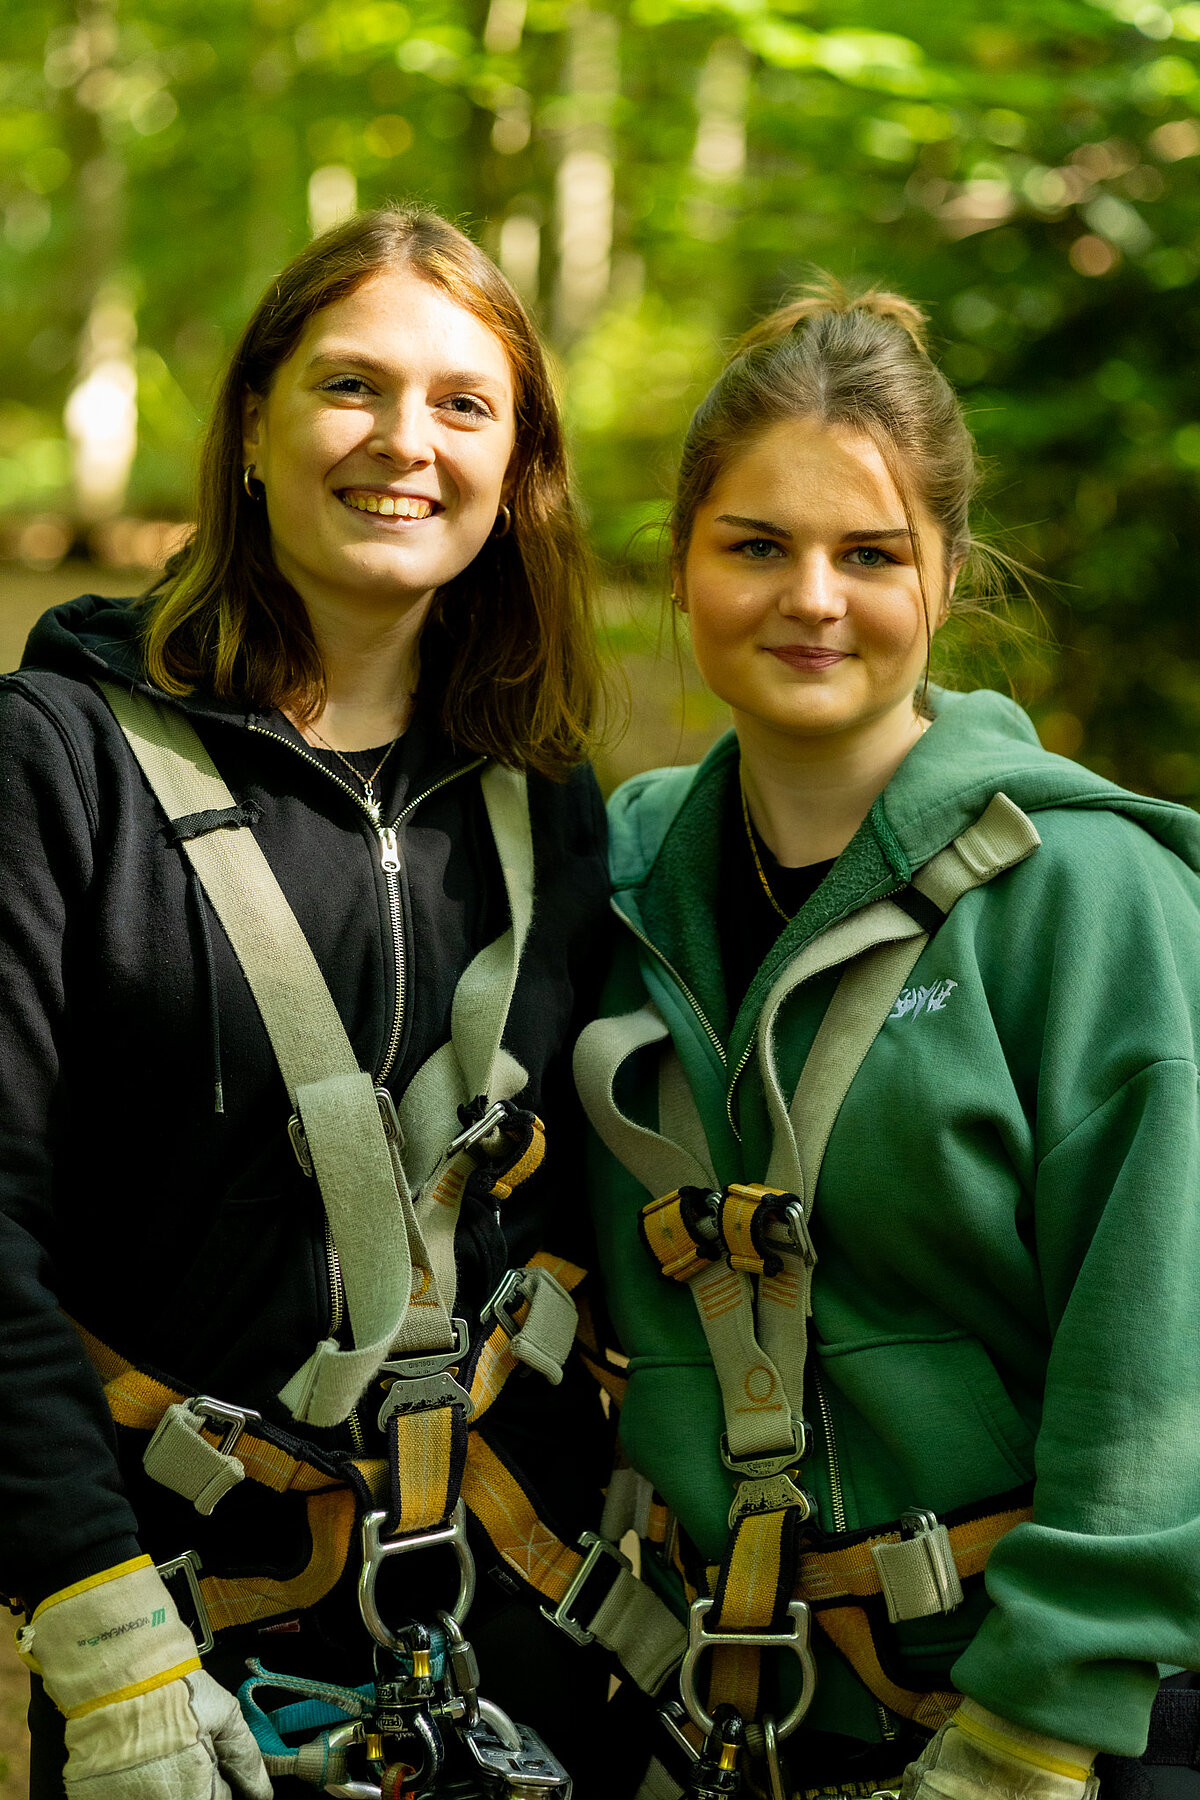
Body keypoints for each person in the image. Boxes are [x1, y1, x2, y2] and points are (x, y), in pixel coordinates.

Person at [0, 205, 614, 1799]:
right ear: (254, 431)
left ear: (517, 469)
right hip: (187, 1652)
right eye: (352, 386)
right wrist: (100, 1631)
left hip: (515, 1636)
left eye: (464, 404)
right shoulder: (56, 762)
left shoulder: (542, 795)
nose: (406, 442)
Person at [576, 282, 1200, 1800]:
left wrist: (1032, 1735)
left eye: (870, 554)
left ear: (948, 575)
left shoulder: (1095, 899)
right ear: (680, 563)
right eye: (755, 547)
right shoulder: (618, 886)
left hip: (1050, 1730)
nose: (812, 599)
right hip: (712, 1717)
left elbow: (1162, 1369)